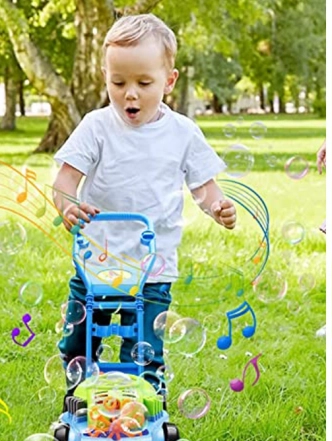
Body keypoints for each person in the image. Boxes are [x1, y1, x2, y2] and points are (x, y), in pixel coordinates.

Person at [51, 14, 236, 402]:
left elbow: (204, 186)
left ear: (169, 81)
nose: (129, 94)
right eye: (117, 83)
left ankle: (147, 408)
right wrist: (67, 206)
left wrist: (218, 207)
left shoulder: (182, 132)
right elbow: (66, 180)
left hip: (153, 267)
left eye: (143, 83)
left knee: (144, 350)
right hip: (95, 262)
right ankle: (78, 400)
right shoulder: (96, 126)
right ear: (105, 77)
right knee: (77, 344)